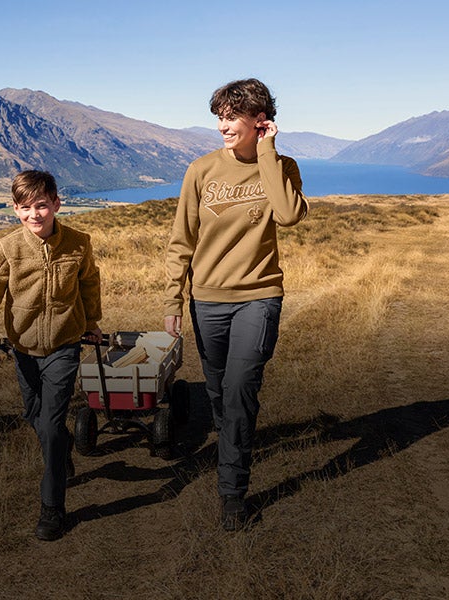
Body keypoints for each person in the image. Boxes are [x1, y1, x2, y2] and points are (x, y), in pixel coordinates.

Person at [163, 79, 308, 530]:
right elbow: (181, 240)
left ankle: (232, 493)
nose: (223, 126)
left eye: (232, 118)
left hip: (259, 297)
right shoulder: (201, 170)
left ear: (259, 120)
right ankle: (233, 443)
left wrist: (267, 153)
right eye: (220, 118)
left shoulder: (282, 167)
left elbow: (289, 215)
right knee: (218, 393)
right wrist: (172, 300)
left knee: (241, 389)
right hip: (207, 299)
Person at [0, 170, 102, 541]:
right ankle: (61, 450)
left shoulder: (78, 243)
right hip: (23, 349)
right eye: (25, 208)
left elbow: (89, 282)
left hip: (64, 345)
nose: (34, 214)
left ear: (56, 204)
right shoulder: (7, 249)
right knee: (35, 416)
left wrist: (92, 321)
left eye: (41, 205)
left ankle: (52, 509)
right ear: (15, 209)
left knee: (51, 421)